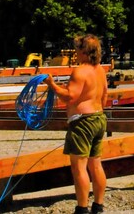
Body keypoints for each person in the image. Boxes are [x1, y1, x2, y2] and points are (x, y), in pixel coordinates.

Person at [45, 35, 109, 214]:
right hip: (98, 117)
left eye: (76, 49)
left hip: (83, 121)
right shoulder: (100, 70)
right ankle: (98, 205)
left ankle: (82, 209)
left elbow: (69, 97)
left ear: (83, 51)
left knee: (79, 166)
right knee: (95, 164)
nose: (74, 53)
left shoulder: (81, 71)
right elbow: (105, 96)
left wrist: (52, 85)